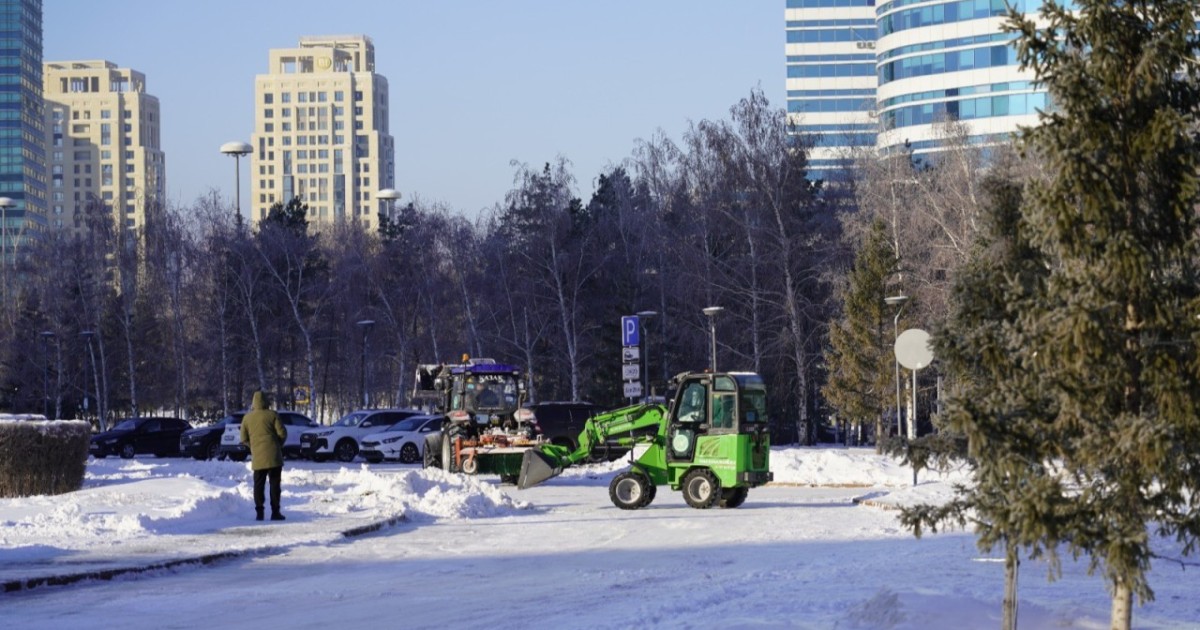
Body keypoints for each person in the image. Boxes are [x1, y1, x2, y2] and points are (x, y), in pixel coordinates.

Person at [240, 391, 287, 521]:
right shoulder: (272, 415)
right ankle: (275, 512)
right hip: (274, 457)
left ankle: (259, 512)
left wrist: (253, 447)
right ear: (266, 401)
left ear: (253, 402)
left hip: (258, 457)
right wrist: (278, 445)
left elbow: (243, 438)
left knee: (258, 485)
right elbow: (282, 433)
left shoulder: (247, 418)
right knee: (274, 484)